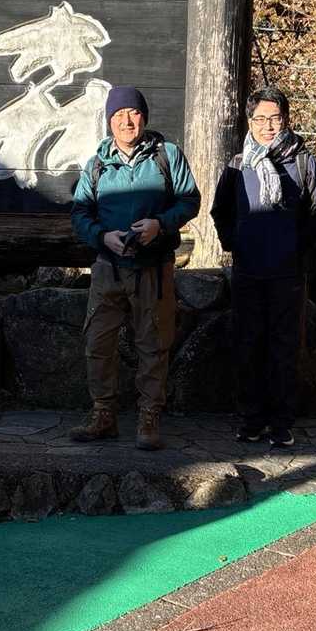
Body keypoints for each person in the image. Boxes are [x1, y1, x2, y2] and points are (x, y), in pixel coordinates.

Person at [70, 85, 200, 450]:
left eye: (133, 113)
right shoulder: (97, 163)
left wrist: (160, 224)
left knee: (153, 345)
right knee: (98, 343)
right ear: (109, 120)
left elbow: (189, 200)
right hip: (108, 266)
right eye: (118, 115)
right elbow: (80, 212)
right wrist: (101, 237)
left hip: (153, 268)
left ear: (144, 116)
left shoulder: (166, 155)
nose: (126, 121)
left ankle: (149, 417)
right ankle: (103, 414)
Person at [210, 85, 316, 448]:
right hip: (248, 269)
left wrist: (296, 243)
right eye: (260, 119)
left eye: (275, 118)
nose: (268, 126)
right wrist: (235, 242)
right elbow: (220, 211)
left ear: (286, 119)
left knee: (284, 348)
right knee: (248, 345)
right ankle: (251, 419)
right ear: (249, 122)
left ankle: (282, 422)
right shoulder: (238, 165)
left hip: (287, 272)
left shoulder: (303, 162)